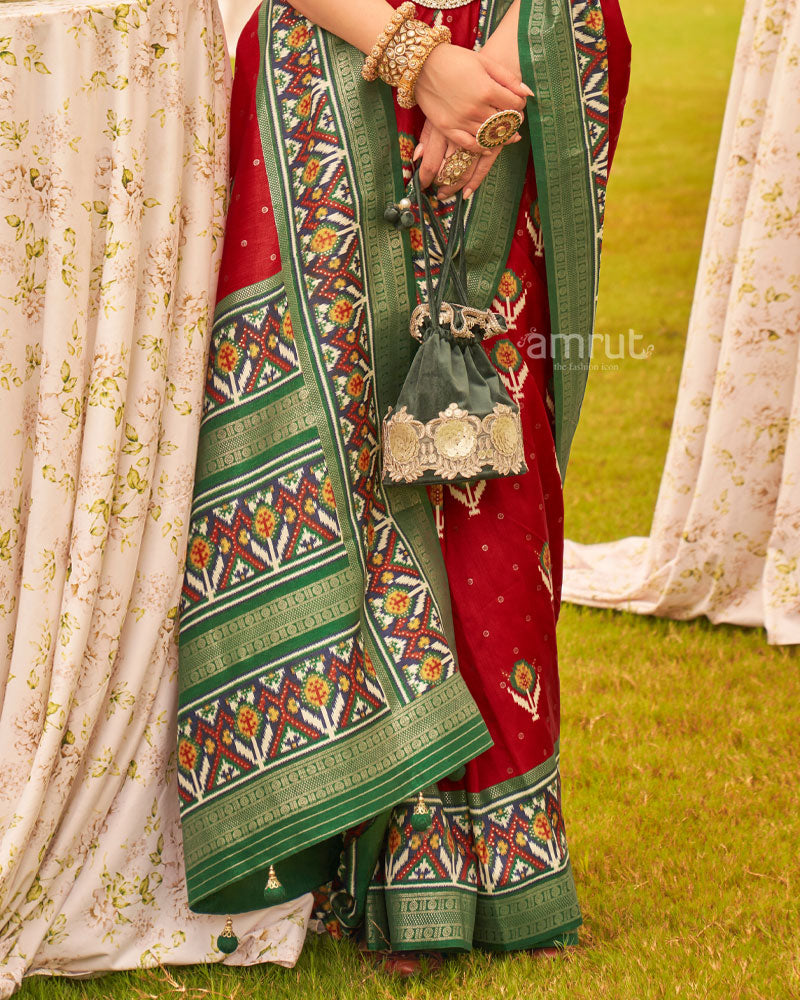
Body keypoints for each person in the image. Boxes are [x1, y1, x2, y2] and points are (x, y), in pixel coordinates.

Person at [176, 0, 631, 971]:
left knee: (475, 451)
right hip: (333, 61)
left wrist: (495, 78)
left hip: (525, 41)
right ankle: (346, 834)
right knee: (345, 456)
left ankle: (479, 866)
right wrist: (419, 59)